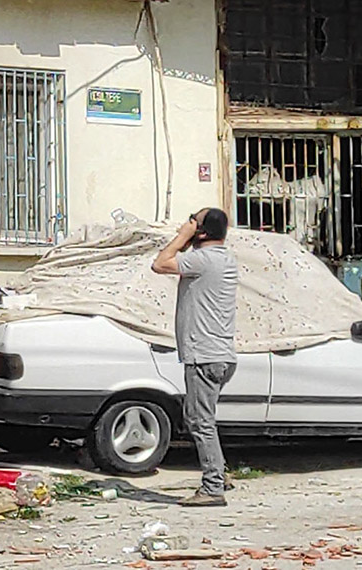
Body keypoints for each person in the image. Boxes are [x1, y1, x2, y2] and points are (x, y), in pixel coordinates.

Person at [151, 207, 238, 507]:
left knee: (199, 421)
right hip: (220, 355)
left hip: (204, 356)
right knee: (200, 418)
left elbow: (160, 264)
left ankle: (213, 487)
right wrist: (192, 234)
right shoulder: (223, 258)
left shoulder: (202, 260)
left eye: (193, 221)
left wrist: (181, 236)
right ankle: (219, 473)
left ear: (201, 232)